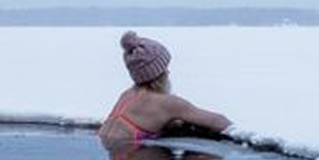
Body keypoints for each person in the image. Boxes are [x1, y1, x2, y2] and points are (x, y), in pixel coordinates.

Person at [98, 31, 230, 143]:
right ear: (159, 73)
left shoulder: (127, 95)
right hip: (135, 158)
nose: (168, 72)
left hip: (116, 157)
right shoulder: (167, 103)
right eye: (165, 68)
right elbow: (219, 122)